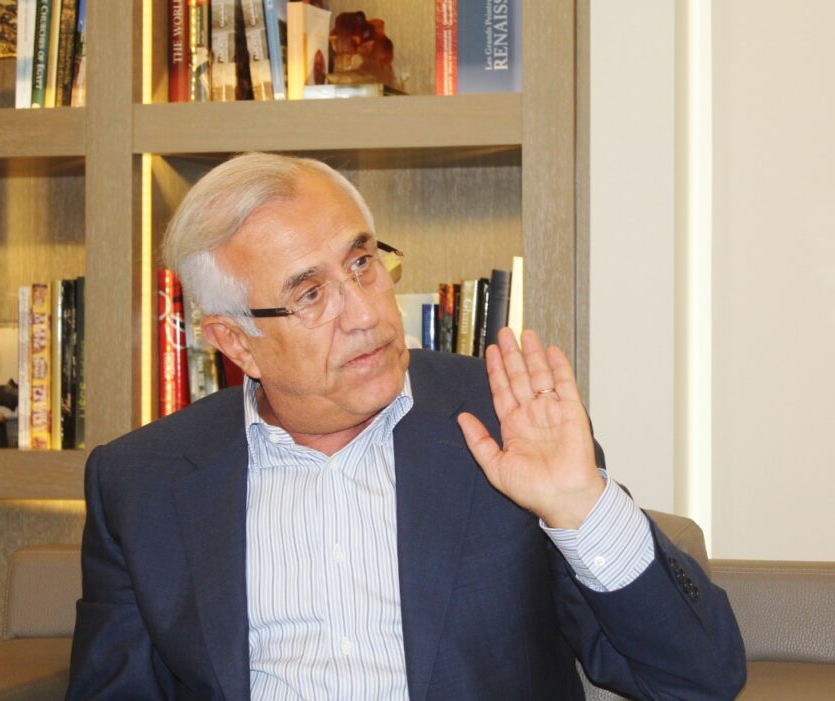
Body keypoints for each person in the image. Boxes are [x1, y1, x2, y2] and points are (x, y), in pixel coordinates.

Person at [66, 153, 745, 700]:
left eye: (362, 264)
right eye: (310, 294)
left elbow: (699, 678)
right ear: (235, 341)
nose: (365, 313)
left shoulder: (505, 418)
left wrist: (581, 506)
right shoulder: (141, 483)